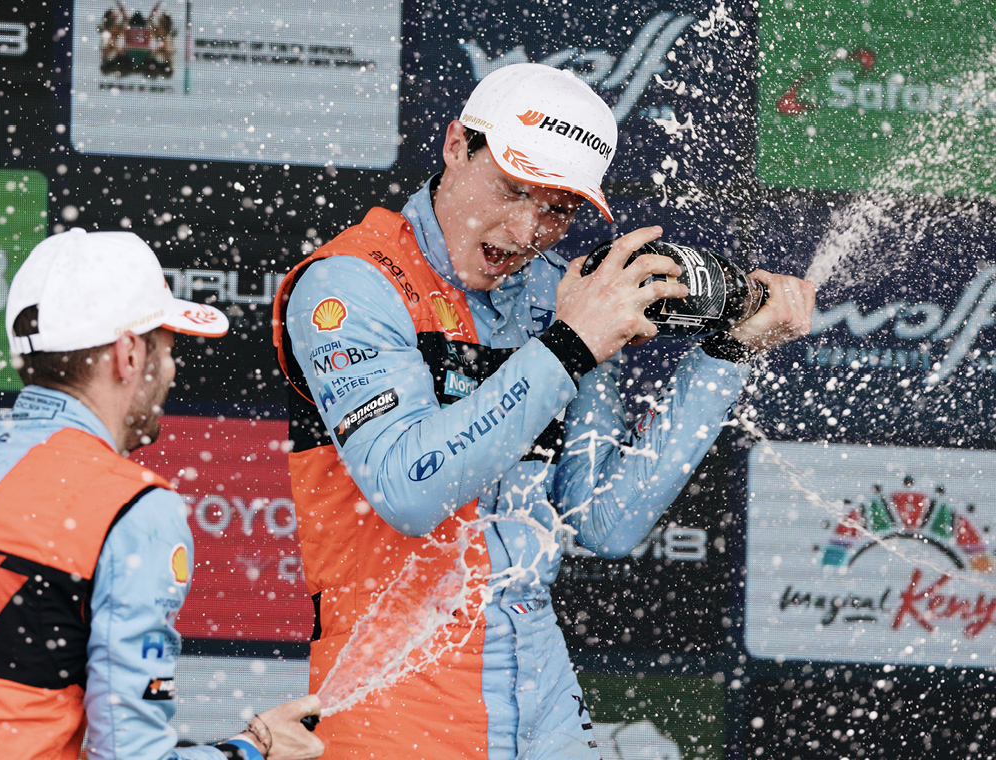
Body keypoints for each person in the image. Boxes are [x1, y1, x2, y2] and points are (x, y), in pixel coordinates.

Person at [271, 63, 814, 758]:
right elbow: (408, 491)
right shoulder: (354, 281)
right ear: (454, 145)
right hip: (399, 683)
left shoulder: (554, 295)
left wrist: (727, 356)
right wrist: (569, 346)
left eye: (558, 208)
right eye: (511, 188)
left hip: (541, 681)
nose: (527, 229)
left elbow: (607, 520)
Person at [0, 229, 326, 760]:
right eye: (166, 350)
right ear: (128, 355)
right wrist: (254, 749)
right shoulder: (130, 508)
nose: (169, 370)